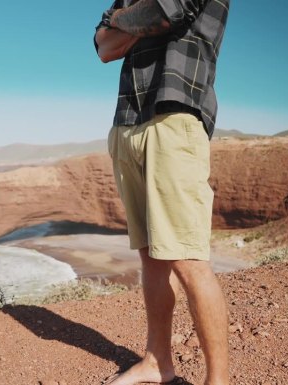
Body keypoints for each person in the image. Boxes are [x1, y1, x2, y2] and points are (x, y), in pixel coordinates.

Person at [94, 1, 230, 384]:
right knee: (151, 257)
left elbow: (165, 13)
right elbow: (103, 47)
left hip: (175, 115)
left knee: (188, 260)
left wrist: (121, 21)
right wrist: (131, 22)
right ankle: (158, 363)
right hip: (127, 123)